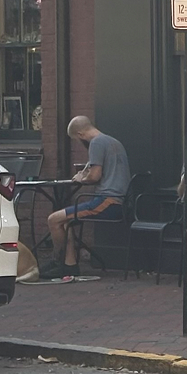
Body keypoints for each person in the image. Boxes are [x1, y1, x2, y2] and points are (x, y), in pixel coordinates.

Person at [41, 117, 131, 279]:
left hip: (108, 201)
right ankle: (70, 265)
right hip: (118, 200)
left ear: (80, 134)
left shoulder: (96, 143)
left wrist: (80, 178)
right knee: (65, 220)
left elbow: (94, 176)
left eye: (76, 139)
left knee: (53, 219)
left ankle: (58, 261)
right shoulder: (113, 142)